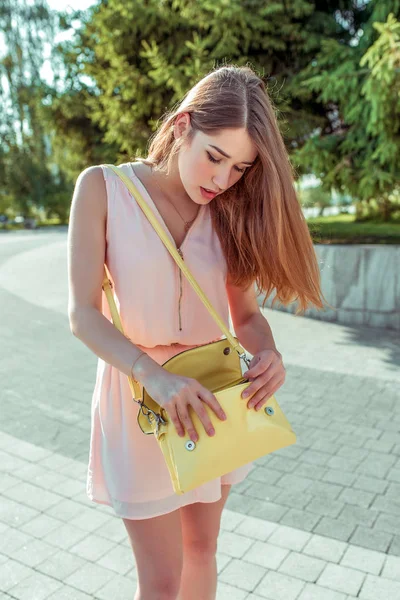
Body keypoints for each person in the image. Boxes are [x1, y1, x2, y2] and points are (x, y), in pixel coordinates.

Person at [67, 64, 324, 600]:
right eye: (215, 157)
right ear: (183, 125)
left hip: (215, 399)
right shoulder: (102, 189)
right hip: (141, 400)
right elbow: (83, 315)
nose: (222, 179)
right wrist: (153, 375)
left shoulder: (230, 212)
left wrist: (269, 352)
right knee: (161, 582)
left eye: (239, 168)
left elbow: (247, 317)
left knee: (202, 552)